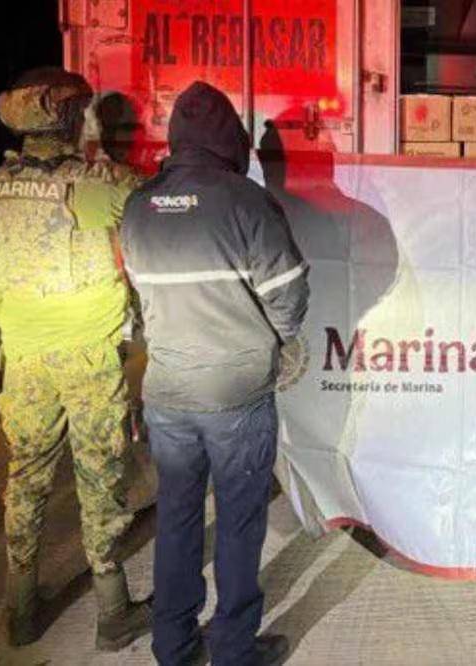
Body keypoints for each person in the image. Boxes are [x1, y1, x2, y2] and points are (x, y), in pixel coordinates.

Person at [0, 67, 150, 649]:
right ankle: (113, 613)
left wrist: (27, 323)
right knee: (100, 479)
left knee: (27, 477)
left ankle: (20, 611)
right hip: (90, 358)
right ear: (71, 118)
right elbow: (153, 235)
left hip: (26, 359)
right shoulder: (107, 184)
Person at [120, 81, 309, 666]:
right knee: (237, 522)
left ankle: (173, 646)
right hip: (236, 395)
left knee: (177, 520)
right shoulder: (246, 202)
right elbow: (289, 297)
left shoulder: (138, 205)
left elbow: (138, 297)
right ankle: (232, 649)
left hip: (168, 395)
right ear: (231, 139)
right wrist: (276, 340)